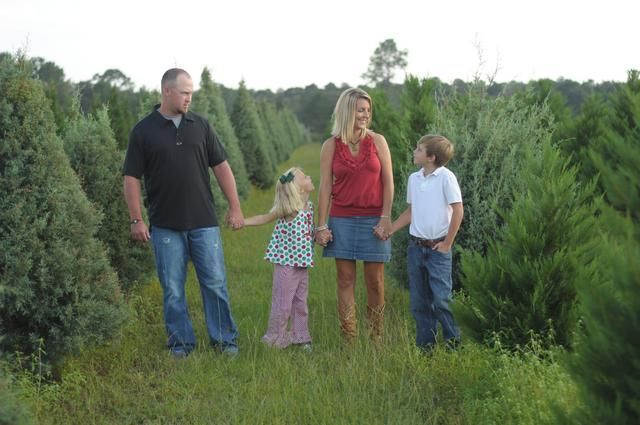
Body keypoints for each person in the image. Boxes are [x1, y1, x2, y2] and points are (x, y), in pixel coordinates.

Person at [123, 68, 244, 358]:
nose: (189, 97)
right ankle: (180, 344)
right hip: (165, 226)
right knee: (173, 290)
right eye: (184, 92)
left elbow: (222, 167)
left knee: (215, 284)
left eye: (192, 92)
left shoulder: (200, 126)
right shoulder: (143, 131)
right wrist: (137, 219)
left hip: (204, 223)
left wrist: (235, 207)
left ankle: (225, 341)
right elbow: (131, 178)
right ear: (167, 91)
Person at [315, 88, 394, 343]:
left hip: (374, 220)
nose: (365, 115)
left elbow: (389, 182)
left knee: (376, 282)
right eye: (361, 110)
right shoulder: (330, 146)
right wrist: (321, 225)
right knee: (345, 280)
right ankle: (349, 339)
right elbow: (325, 187)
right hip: (342, 220)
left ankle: (376, 337)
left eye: (368, 111)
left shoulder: (378, 141)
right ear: (348, 111)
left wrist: (385, 217)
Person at [387, 134, 463, 352]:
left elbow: (458, 210)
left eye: (419, 149)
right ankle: (426, 348)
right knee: (419, 303)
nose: (414, 152)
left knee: (441, 300)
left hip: (438, 249)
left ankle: (453, 346)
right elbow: (411, 212)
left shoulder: (446, 178)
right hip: (416, 249)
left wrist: (448, 243)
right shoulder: (414, 179)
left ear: (431, 157)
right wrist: (391, 228)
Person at [239, 167, 315, 352]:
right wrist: (244, 222)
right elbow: (264, 218)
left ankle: (301, 337)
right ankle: (275, 339)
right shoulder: (289, 210)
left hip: (302, 265)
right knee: (282, 303)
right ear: (300, 189)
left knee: (300, 302)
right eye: (305, 176)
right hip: (286, 266)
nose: (310, 176)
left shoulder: (309, 207)